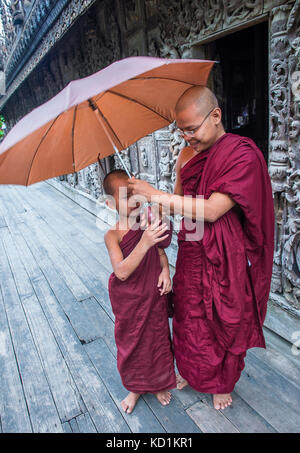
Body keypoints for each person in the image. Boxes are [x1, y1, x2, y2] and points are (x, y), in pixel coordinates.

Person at [128, 86, 275, 410]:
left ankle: (221, 383)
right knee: (189, 314)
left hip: (226, 249)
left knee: (223, 315)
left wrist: (155, 194)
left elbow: (211, 210)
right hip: (192, 243)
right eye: (181, 131)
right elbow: (181, 203)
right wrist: (152, 208)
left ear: (216, 116)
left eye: (192, 129)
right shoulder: (185, 155)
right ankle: (194, 372)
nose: (186, 138)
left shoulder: (242, 154)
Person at [103, 169, 176, 414]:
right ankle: (135, 388)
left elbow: (161, 251)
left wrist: (165, 271)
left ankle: (157, 383)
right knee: (132, 345)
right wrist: (144, 241)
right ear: (109, 203)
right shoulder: (112, 235)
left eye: (135, 194)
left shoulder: (146, 222)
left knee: (156, 340)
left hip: (152, 294)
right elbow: (121, 272)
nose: (134, 201)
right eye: (126, 197)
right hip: (130, 300)